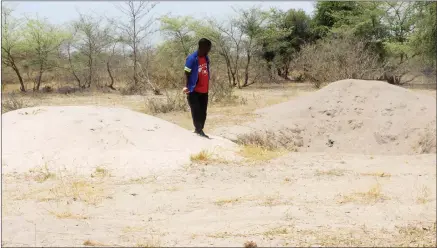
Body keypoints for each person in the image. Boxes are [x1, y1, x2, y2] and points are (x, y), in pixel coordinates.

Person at [183, 38, 212, 138]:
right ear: (202, 47)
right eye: (208, 47)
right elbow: (186, 73)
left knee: (203, 113)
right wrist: (186, 87)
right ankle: (198, 130)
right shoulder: (191, 59)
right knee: (196, 111)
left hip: (204, 90)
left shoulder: (206, 58)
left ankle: (200, 129)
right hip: (194, 90)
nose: (209, 50)